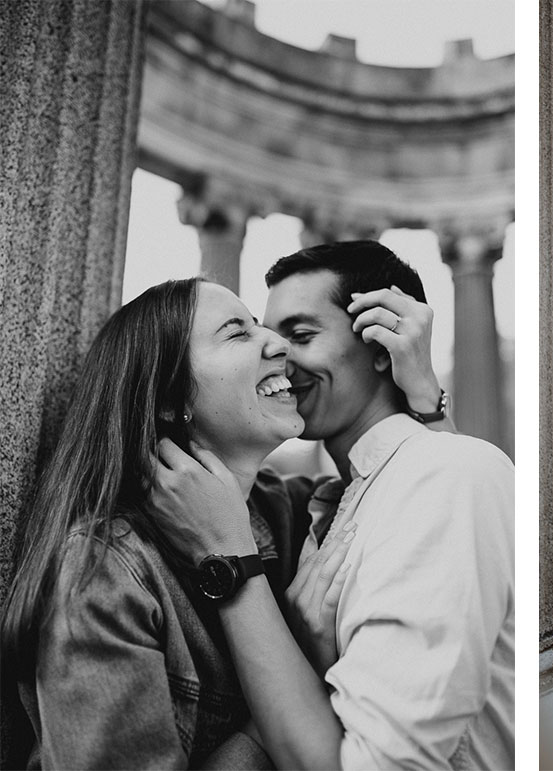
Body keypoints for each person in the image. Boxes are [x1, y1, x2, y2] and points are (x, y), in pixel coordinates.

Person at [150, 241, 515, 769]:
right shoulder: (323, 504)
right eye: (268, 335)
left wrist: (231, 560)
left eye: (300, 334)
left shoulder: (446, 476)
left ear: (382, 344)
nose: (275, 352)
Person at [0, 278, 344, 768]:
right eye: (237, 332)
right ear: (168, 397)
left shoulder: (292, 514)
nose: (279, 343)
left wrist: (425, 400)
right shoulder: (104, 571)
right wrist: (282, 704)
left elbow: (417, 481)